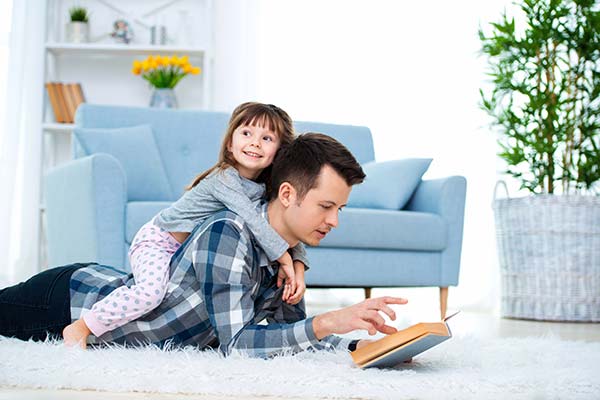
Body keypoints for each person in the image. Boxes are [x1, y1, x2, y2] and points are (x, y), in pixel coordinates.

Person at [0, 132, 408, 356]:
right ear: (286, 194)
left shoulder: (283, 261)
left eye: (340, 209)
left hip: (97, 290)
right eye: (326, 206)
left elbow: (292, 334)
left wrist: (362, 342)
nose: (334, 221)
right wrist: (328, 321)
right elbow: (240, 343)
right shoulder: (228, 233)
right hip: (69, 302)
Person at [62, 102, 309, 347]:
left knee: (172, 300)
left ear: (280, 150)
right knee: (150, 294)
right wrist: (285, 259)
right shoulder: (224, 179)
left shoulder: (267, 190)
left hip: (186, 254)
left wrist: (298, 266)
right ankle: (82, 327)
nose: (255, 142)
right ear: (230, 145)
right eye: (246, 133)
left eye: (267, 138)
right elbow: (254, 221)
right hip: (158, 242)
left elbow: (285, 226)